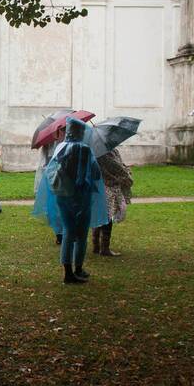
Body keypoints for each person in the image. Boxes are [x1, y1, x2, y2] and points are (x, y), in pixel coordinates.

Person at [45, 118, 108, 284]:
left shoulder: (60, 147)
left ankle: (67, 271)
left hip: (62, 195)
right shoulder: (84, 149)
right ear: (81, 132)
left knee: (67, 232)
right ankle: (78, 268)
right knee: (80, 235)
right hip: (81, 197)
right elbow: (95, 174)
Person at [92, 148, 133, 256]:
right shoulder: (105, 152)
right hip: (107, 187)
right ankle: (104, 248)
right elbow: (116, 168)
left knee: (99, 215)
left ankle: (96, 245)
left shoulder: (94, 150)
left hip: (98, 187)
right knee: (107, 216)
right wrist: (127, 172)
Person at [31, 128, 65, 244]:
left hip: (59, 178)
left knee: (60, 207)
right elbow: (47, 162)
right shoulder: (50, 145)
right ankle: (59, 234)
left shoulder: (64, 145)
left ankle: (62, 233)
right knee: (55, 207)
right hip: (54, 178)